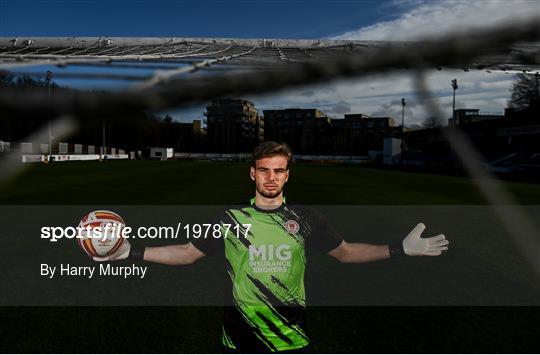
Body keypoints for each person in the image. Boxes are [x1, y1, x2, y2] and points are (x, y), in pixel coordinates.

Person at [95, 141, 449, 353]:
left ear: (287, 175)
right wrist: (131, 252)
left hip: (290, 338)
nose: (271, 178)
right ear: (252, 173)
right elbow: (187, 252)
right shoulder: (231, 218)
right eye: (264, 170)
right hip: (239, 336)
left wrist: (399, 248)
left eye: (278, 171)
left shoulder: (307, 218)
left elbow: (346, 253)